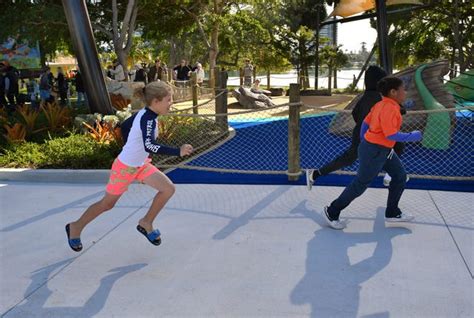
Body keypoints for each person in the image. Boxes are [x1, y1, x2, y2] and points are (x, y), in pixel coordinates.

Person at [65, 81, 193, 251]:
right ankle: (75, 227)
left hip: (140, 165)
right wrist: (178, 152)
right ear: (156, 101)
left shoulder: (147, 114)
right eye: (168, 100)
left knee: (168, 189)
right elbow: (149, 145)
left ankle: (146, 223)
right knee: (107, 204)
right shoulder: (147, 119)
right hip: (125, 167)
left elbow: (125, 126)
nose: (171, 103)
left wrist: (135, 152)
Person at [322, 76, 422, 230]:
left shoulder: (380, 104)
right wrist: (412, 136)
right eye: (403, 89)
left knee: (400, 176)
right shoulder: (390, 108)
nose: (405, 92)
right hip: (375, 150)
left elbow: (366, 122)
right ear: (393, 92)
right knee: (360, 184)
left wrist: (364, 139)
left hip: (381, 149)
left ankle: (392, 212)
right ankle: (332, 211)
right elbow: (390, 134)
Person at [306, 66, 406, 189]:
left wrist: (363, 124)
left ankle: (315, 174)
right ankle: (390, 176)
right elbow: (399, 111)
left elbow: (355, 113)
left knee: (349, 158)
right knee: (397, 145)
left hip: (360, 133)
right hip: (374, 135)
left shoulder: (364, 97)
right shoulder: (383, 98)